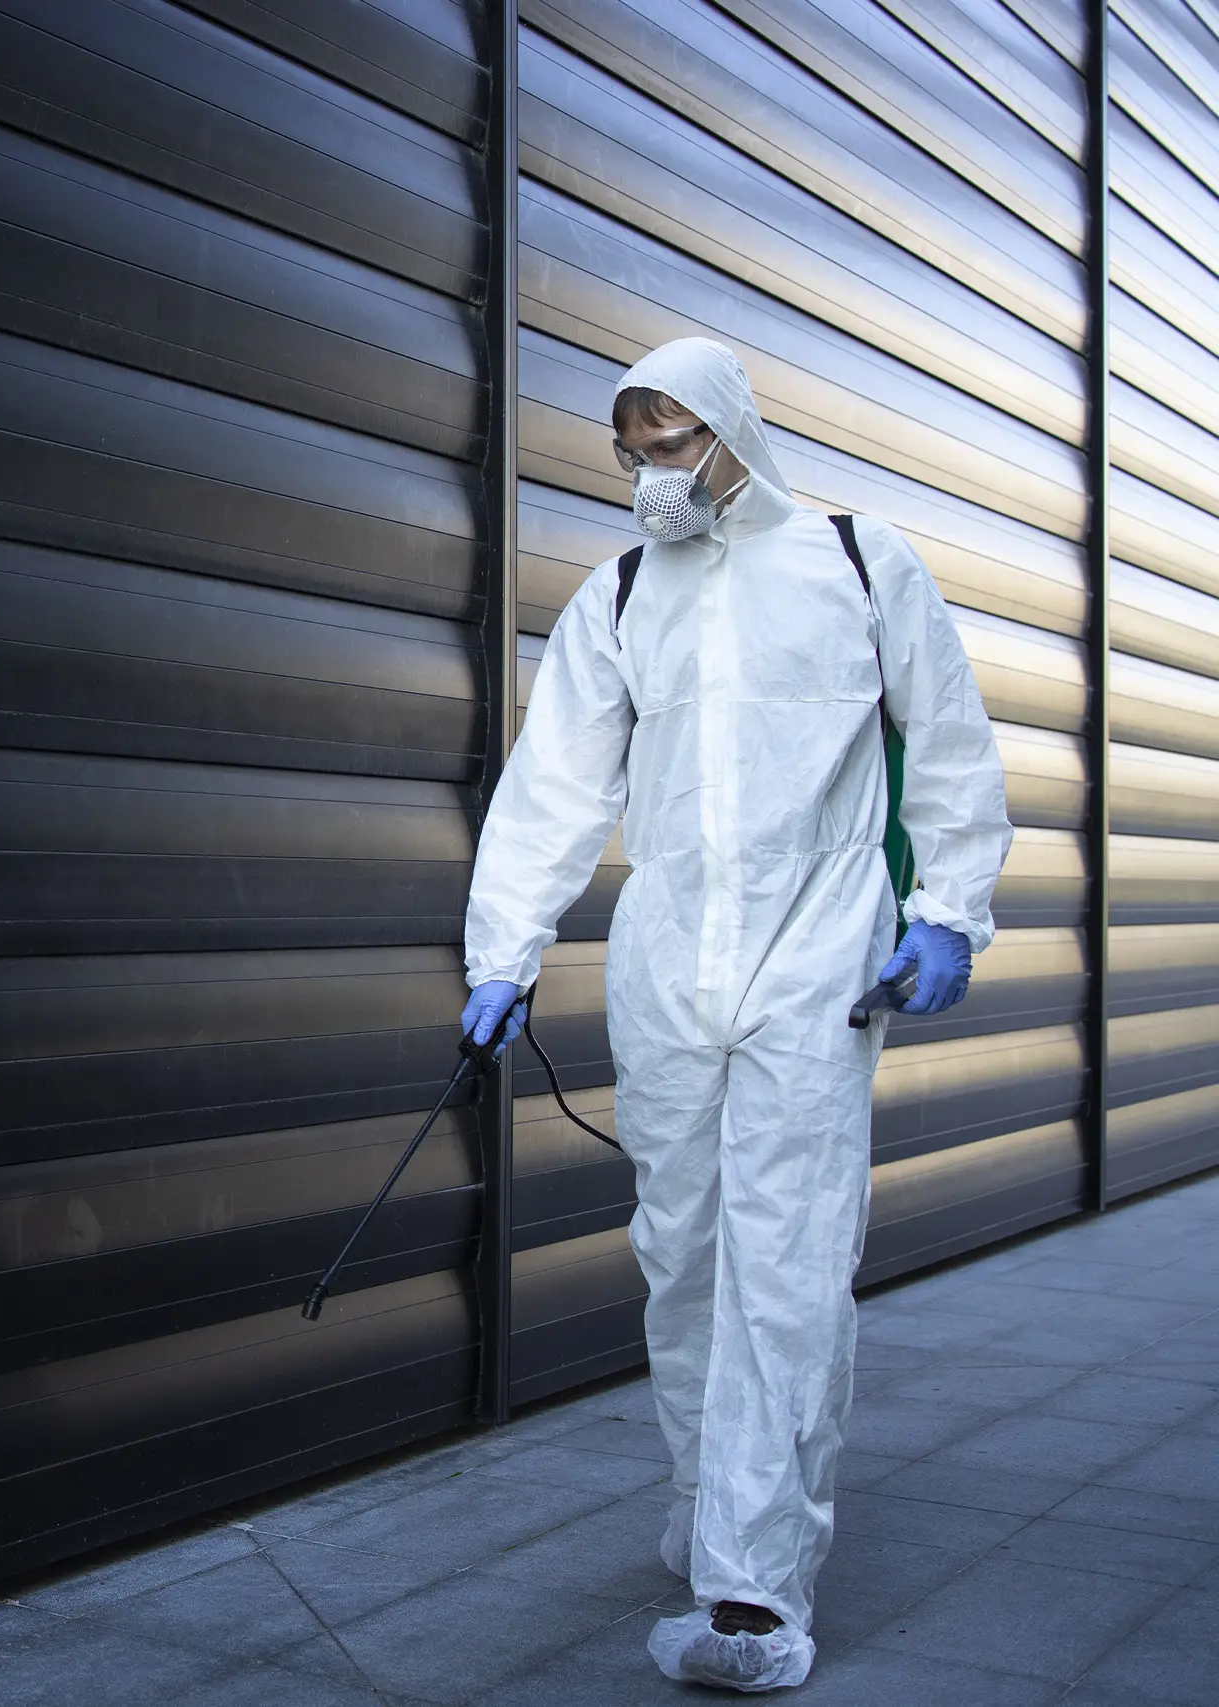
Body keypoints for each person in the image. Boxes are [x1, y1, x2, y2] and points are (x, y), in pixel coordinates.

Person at [458, 339, 1012, 1691]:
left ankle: (756, 1588)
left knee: (787, 1254)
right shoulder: (621, 592)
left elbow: (949, 741)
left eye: (673, 445)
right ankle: (713, 1499)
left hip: (815, 950)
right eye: (632, 452)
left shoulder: (857, 562)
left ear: (733, 433)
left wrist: (949, 908)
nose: (652, 474)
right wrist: (503, 949)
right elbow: (555, 782)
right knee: (683, 1250)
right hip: (668, 957)